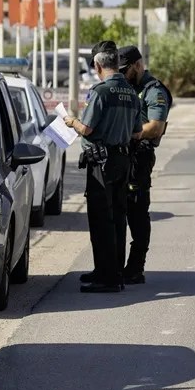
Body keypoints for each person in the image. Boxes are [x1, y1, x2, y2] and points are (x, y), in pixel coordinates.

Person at [64, 40, 142, 293]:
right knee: (118, 217)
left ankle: (107, 278)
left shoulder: (100, 92)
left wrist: (71, 121)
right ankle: (111, 270)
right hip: (123, 160)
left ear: (98, 66)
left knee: (100, 219)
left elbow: (87, 129)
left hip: (102, 163)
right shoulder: (131, 92)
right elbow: (137, 131)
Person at [117, 45, 173, 284]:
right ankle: (115, 266)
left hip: (139, 157)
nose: (122, 74)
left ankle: (136, 266)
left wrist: (129, 134)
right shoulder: (126, 88)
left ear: (138, 65)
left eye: (126, 69)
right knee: (118, 210)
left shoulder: (154, 91)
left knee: (137, 212)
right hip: (121, 156)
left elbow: (155, 127)